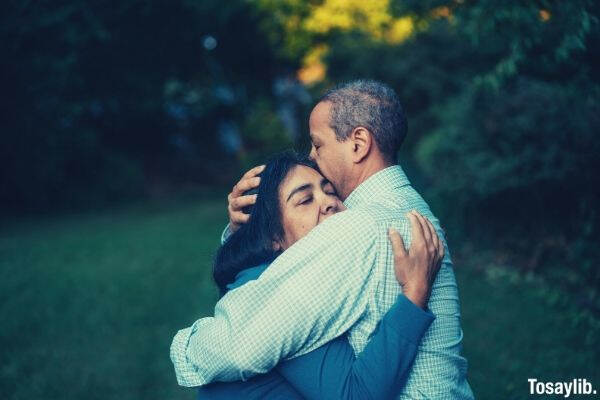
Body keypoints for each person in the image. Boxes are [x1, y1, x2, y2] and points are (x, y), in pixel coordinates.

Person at [171, 80, 474, 398]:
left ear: (358, 143)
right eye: (305, 199)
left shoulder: (358, 227)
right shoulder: (408, 207)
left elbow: (240, 347)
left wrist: (186, 346)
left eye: (318, 145)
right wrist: (244, 228)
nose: (313, 157)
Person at [197, 151, 443, 399]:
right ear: (272, 237)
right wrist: (414, 293)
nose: (329, 202)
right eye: (305, 200)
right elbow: (355, 395)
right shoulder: (284, 293)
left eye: (331, 191)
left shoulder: (285, 273)